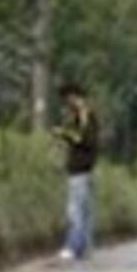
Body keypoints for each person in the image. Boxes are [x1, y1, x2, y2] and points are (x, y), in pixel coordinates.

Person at [52, 83, 99, 262]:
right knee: (85, 211)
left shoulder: (85, 116)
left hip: (80, 169)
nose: (67, 103)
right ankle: (86, 247)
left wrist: (64, 134)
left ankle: (73, 247)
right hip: (83, 168)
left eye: (69, 99)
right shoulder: (79, 116)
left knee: (75, 211)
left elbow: (84, 139)